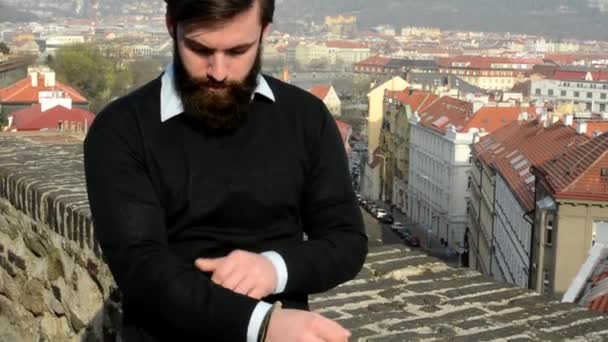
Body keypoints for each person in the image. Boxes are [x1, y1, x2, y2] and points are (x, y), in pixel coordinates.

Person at [83, 0, 368, 341]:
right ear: (172, 26)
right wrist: (260, 325)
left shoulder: (306, 118)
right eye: (200, 49)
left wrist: (274, 268)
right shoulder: (121, 130)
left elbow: (347, 240)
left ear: (265, 33)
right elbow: (141, 266)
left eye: (237, 51)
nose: (218, 72)